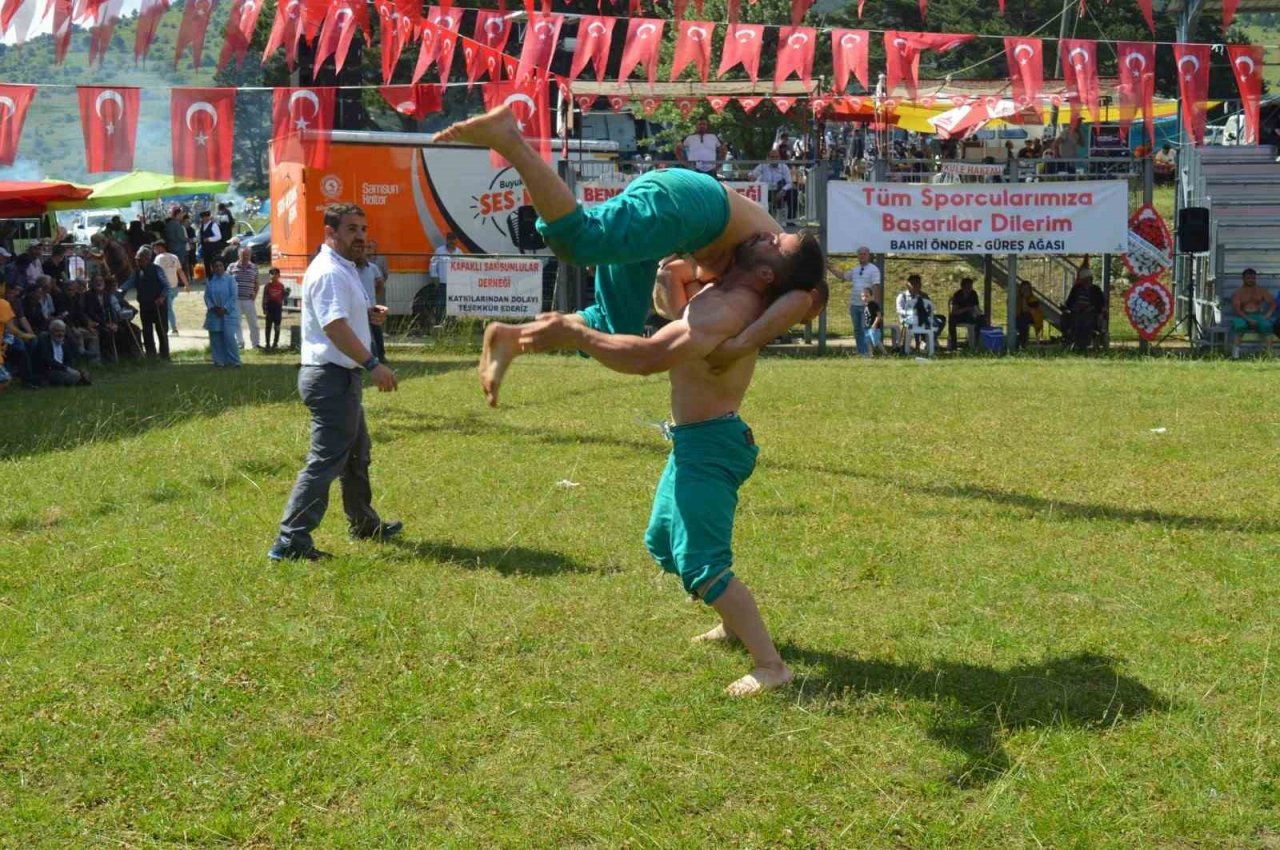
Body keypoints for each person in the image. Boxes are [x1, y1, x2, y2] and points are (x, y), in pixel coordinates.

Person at [517, 251, 814, 696]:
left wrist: (578, 332)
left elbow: (653, 348)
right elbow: (668, 299)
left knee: (703, 564)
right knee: (660, 541)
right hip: (693, 442)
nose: (764, 234)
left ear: (765, 272)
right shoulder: (719, 295)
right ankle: (731, 624)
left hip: (713, 447)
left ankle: (771, 665)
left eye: (774, 241)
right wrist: (678, 266)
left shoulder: (731, 310)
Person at [435, 105, 825, 406]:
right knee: (578, 242)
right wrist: (740, 346)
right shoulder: (792, 282)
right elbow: (803, 300)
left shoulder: (755, 278)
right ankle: (511, 140)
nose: (772, 238)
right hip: (689, 205)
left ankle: (511, 339)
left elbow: (671, 280)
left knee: (612, 325)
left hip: (679, 225)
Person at [269, 203, 401, 562]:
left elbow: (343, 318)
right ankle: (291, 541)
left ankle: (364, 523)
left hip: (341, 377)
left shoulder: (345, 270)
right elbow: (334, 327)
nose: (360, 236)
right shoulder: (329, 271)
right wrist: (373, 363)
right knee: (325, 461)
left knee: (357, 455)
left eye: (363, 228)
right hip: (330, 378)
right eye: (351, 229)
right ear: (331, 233)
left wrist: (368, 316)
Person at [123, 246, 170, 359]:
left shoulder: (157, 269)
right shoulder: (137, 272)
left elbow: (166, 286)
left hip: (158, 305)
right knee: (147, 331)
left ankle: (164, 355)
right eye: (136, 259)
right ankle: (151, 355)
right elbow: (128, 284)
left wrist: (162, 297)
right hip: (145, 305)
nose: (137, 261)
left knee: (161, 330)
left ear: (146, 258)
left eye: (139, 259)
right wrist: (119, 291)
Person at [203, 258, 241, 367]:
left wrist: (224, 308)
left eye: (220, 265)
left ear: (224, 266)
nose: (218, 268)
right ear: (212, 268)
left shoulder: (230, 279)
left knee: (229, 337)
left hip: (229, 313)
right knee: (215, 337)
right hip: (214, 313)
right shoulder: (210, 280)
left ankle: (234, 361)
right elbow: (206, 296)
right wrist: (214, 308)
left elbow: (234, 296)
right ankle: (219, 361)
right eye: (216, 266)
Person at [0, 276, 36, 387]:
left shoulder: (14, 302)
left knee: (20, 349)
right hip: (6, 338)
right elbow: (10, 327)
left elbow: (20, 319)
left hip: (6, 337)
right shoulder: (3, 304)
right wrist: (24, 335)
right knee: (6, 380)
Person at [844, 246, 880, 356]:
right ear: (857, 256)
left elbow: (876, 286)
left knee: (865, 330)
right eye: (860, 254)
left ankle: (868, 353)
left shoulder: (874, 269)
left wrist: (874, 304)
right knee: (857, 330)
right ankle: (861, 352)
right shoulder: (855, 269)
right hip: (854, 305)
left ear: (868, 255)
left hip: (866, 306)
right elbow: (843, 276)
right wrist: (830, 267)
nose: (862, 256)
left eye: (864, 254)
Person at [33, 319, 90, 386]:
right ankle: (79, 380)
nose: (60, 334)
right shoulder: (44, 340)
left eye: (62, 331)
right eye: (57, 331)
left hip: (62, 369)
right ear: (51, 331)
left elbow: (69, 359)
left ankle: (79, 379)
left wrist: (70, 369)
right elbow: (47, 360)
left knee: (82, 372)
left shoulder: (65, 341)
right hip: (47, 370)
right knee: (64, 375)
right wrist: (66, 369)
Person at [1230, 268, 1275, 352]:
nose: (1251, 280)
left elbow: (1273, 303)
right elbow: (1237, 309)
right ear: (1243, 279)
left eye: (1253, 278)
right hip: (1243, 315)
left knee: (1267, 326)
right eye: (1248, 278)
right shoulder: (1238, 292)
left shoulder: (1261, 290)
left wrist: (1268, 314)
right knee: (1240, 326)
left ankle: (1270, 354)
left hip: (1257, 315)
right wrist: (1248, 319)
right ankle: (1235, 355)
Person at [1063, 267, 1106, 351]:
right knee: (1065, 318)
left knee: (1083, 321)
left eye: (1086, 279)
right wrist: (1071, 307)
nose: (1084, 281)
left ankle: (1082, 345)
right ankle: (1072, 342)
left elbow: (1100, 303)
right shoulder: (1076, 289)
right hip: (1076, 312)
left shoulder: (1096, 290)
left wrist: (1091, 308)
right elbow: (1069, 302)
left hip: (1091, 313)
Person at [152, 240, 189, 336]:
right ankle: (169, 328)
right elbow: (180, 272)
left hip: (164, 288)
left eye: (155, 248)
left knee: (168, 309)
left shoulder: (158, 258)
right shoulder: (174, 257)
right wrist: (186, 284)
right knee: (168, 307)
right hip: (174, 286)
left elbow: (155, 273)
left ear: (160, 247)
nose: (154, 250)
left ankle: (174, 329)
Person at [750, 148, 797, 223]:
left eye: (776, 157)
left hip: (780, 191)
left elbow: (789, 183)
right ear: (768, 158)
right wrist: (751, 176)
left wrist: (783, 190)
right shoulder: (763, 166)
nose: (774, 159)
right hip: (766, 191)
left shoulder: (784, 167)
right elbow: (753, 174)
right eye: (772, 157)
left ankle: (790, 221)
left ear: (779, 158)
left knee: (793, 192)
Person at [228, 247, 261, 350]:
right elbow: (227, 282)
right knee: (237, 323)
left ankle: (255, 344)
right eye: (243, 255)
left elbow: (257, 283)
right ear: (239, 255)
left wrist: (254, 295)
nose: (246, 257)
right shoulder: (231, 266)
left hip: (248, 300)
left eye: (248, 255)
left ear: (250, 255)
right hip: (235, 300)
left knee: (254, 324)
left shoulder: (254, 267)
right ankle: (240, 343)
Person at [356, 252, 387, 361]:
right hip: (357, 307)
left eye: (362, 255)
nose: (360, 258)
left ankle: (381, 356)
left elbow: (380, 283)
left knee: (377, 332)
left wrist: (374, 295)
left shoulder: (373, 268)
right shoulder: (351, 269)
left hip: (372, 306)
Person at [947, 277, 984, 350]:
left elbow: (976, 307)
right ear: (962, 287)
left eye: (970, 287)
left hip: (970, 316)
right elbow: (954, 311)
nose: (969, 289)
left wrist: (978, 313)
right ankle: (953, 345)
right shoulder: (957, 295)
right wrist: (966, 309)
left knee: (982, 320)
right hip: (959, 316)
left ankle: (976, 344)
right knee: (951, 320)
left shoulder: (973, 294)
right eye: (967, 287)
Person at [262, 267, 286, 351]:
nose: (273, 275)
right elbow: (264, 297)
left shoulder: (281, 286)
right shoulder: (267, 286)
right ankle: (267, 344)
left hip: (277, 308)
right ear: (269, 276)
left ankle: (275, 343)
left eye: (275, 274)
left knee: (277, 326)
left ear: (279, 275)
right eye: (271, 274)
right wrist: (264, 308)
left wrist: (286, 294)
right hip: (269, 308)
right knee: (268, 327)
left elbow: (283, 297)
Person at [1015, 279, 1045, 347]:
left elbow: (1025, 310)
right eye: (1024, 289)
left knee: (1024, 318)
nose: (1026, 291)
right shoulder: (1017, 298)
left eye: (1028, 289)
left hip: (1033, 319)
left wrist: (1024, 298)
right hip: (1018, 319)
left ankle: (1023, 343)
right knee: (1021, 320)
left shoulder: (1033, 299)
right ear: (1020, 289)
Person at [199, 210, 225, 279]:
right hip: (205, 249)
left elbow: (219, 236)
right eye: (202, 218)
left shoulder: (213, 225)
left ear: (207, 217)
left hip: (213, 248)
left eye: (204, 217)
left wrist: (209, 239)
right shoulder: (202, 225)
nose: (203, 219)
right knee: (206, 264)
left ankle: (217, 277)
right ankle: (209, 278)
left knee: (214, 264)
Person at [861, 286, 886, 355]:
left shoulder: (874, 304)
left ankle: (885, 353)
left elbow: (879, 316)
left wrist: (874, 325)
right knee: (868, 341)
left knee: (876, 341)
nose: (864, 298)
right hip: (867, 328)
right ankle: (870, 354)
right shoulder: (865, 305)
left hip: (874, 328)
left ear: (871, 296)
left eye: (866, 296)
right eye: (862, 296)